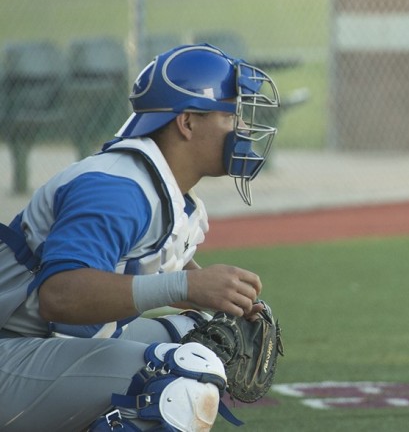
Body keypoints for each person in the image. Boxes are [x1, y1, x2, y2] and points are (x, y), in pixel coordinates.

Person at [0, 44, 280, 431]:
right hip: (12, 346)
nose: (244, 129)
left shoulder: (160, 187)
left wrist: (218, 296)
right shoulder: (116, 188)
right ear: (187, 122)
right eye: (232, 114)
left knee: (197, 335)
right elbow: (60, 295)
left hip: (37, 345)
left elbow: (150, 271)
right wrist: (188, 284)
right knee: (182, 376)